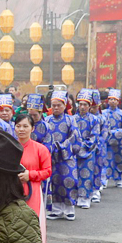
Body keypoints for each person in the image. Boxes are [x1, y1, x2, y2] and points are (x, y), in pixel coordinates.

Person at [34, 91, 77, 220]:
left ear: (65, 105)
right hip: (50, 156)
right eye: (54, 105)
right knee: (54, 181)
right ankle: (56, 209)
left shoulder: (71, 119)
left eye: (59, 105)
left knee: (68, 180)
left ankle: (70, 208)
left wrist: (61, 146)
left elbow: (74, 137)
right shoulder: (46, 120)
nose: (56, 108)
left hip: (66, 156)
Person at [14, 112, 51, 243]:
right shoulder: (9, 148)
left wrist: (30, 175)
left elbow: (47, 171)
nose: (21, 129)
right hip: (11, 190)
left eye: (25, 126)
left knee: (31, 222)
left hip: (32, 190)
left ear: (32, 128)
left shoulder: (40, 149)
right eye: (18, 126)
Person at [72, 89, 103, 208]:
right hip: (74, 151)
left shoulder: (94, 119)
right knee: (75, 174)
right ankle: (75, 197)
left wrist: (83, 145)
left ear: (90, 106)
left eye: (85, 104)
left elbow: (94, 136)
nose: (82, 107)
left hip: (88, 151)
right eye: (80, 104)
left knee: (86, 174)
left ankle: (84, 198)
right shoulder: (73, 118)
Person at [101, 89, 122, 188]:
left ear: (118, 101)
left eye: (115, 99)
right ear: (107, 101)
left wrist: (113, 133)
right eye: (111, 99)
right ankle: (104, 181)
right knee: (106, 161)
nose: (113, 101)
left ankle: (120, 180)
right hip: (107, 142)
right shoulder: (103, 113)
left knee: (119, 161)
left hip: (119, 142)